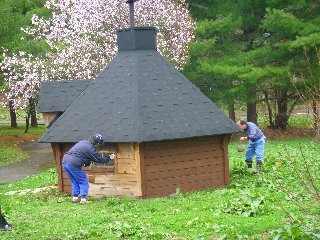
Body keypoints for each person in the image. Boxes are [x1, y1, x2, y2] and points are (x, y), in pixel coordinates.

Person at [62, 134, 113, 203]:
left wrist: (87, 163)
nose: (98, 146)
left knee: (74, 181)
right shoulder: (90, 149)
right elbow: (99, 159)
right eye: (99, 145)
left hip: (65, 161)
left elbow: (81, 156)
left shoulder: (83, 142)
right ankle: (83, 199)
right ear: (96, 143)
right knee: (83, 181)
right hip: (73, 164)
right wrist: (108, 158)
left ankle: (75, 198)